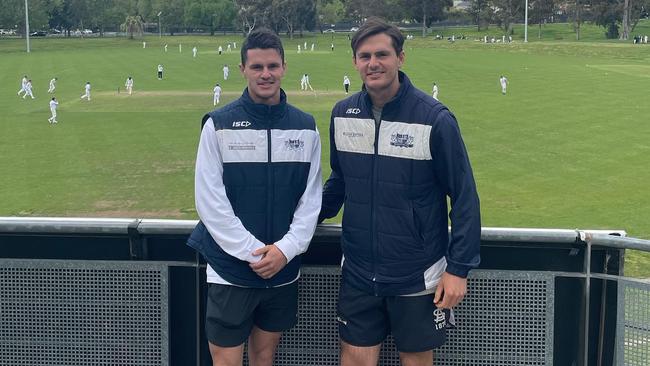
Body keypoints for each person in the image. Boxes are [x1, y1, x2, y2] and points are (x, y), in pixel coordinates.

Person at [319, 17, 481, 366]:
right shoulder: (342, 114)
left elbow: (465, 196)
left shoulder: (435, 118)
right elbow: (340, 182)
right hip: (359, 271)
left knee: (416, 359)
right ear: (355, 63)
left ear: (400, 58)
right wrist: (299, 219)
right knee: (355, 359)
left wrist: (459, 269)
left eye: (382, 54)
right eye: (365, 56)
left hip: (418, 273)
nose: (373, 63)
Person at [186, 27, 322, 366]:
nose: (266, 74)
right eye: (257, 66)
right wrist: (254, 253)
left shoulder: (306, 127)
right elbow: (209, 200)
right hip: (230, 269)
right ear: (243, 68)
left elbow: (311, 200)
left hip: (282, 269)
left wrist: (284, 251)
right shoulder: (218, 124)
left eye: (273, 66)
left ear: (284, 68)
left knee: (265, 356)